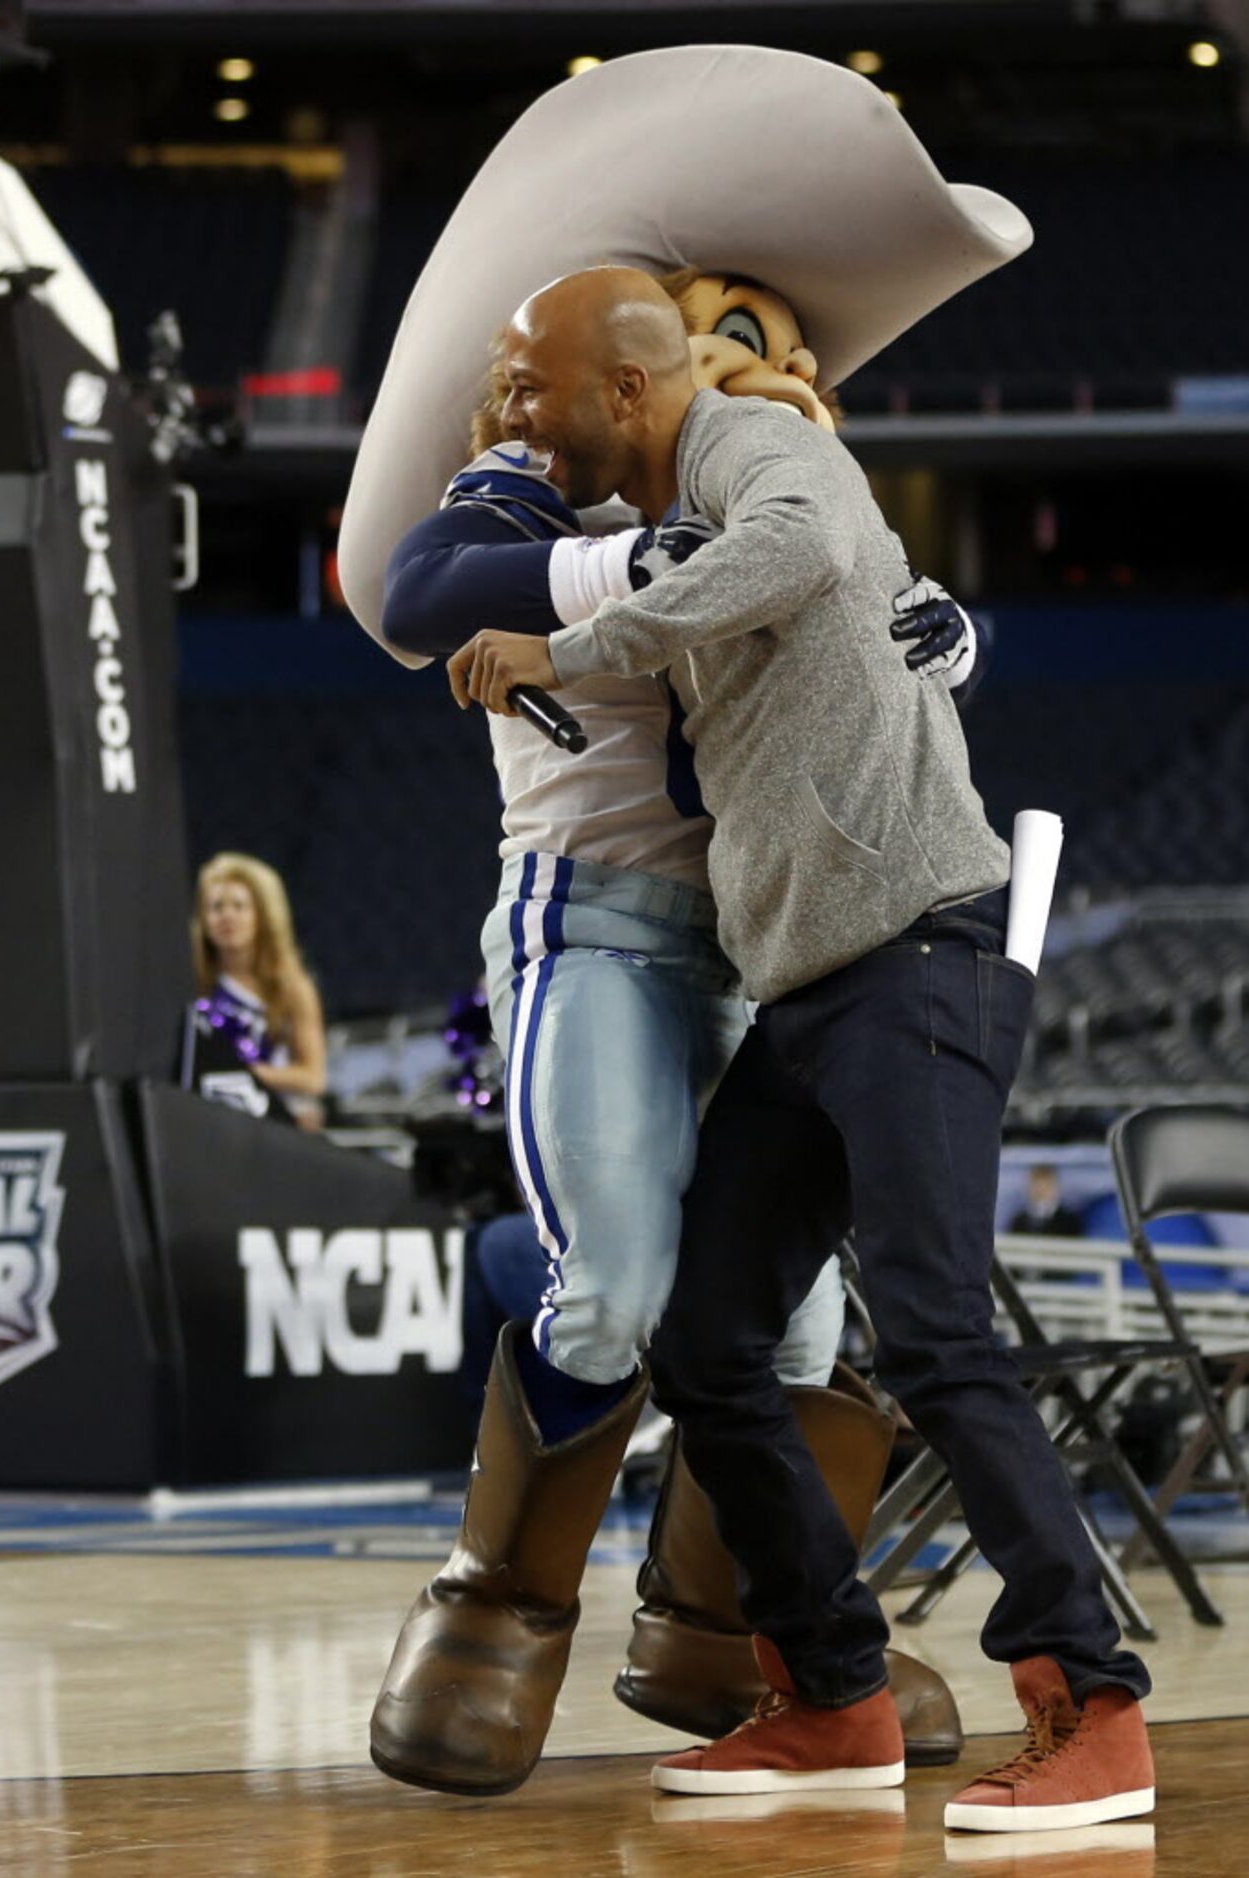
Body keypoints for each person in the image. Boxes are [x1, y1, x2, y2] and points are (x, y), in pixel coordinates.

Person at [453, 266, 1153, 1835]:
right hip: (814, 990)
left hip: (920, 953)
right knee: (705, 1335)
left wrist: (573, 645)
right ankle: (831, 1695)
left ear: (629, 393)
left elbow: (805, 545)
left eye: (533, 380)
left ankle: (1090, 1703)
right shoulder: (671, 493)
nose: (512, 406)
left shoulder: (762, 451)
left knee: (931, 1329)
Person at [364, 272, 977, 1798]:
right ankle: (495, 1606)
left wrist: (939, 629)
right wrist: (638, 559)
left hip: (766, 942)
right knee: (616, 1290)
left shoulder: (762, 494)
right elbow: (424, 591)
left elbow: (856, 625)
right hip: (597, 915)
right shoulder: (529, 488)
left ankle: (741, 1626)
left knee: (800, 1329)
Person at [184, 853, 326, 1127]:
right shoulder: (191, 982)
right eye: (216, 907)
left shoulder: (293, 988)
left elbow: (314, 1078)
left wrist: (244, 1073)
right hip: (205, 1117)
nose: (227, 917)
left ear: (264, 914)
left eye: (239, 906)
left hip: (270, 1119)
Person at [1009, 1163, 1086, 1238]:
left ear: (1056, 1188)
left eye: (1046, 1186)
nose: (1041, 1191)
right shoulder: (1018, 1221)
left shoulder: (1070, 1222)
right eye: (1037, 1187)